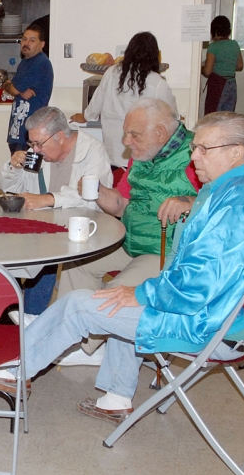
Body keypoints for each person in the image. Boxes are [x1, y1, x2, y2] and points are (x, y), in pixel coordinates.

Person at [0, 112, 244, 425]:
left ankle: (14, 371)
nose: (194, 157)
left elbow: (196, 286)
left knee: (81, 305)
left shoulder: (234, 203)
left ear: (236, 152)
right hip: (234, 320)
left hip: (209, 325)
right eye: (194, 148)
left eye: (204, 149)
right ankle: (116, 398)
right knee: (119, 301)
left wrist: (145, 292)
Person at [56, 98, 201, 365]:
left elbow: (225, 203)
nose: (126, 141)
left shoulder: (197, 155)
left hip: (166, 251)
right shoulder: (143, 154)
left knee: (115, 291)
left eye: (133, 134)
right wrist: (98, 192)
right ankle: (81, 341)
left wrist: (191, 202)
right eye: (126, 133)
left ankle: (78, 339)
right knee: (76, 262)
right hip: (131, 242)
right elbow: (122, 205)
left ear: (160, 132)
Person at [0, 106, 113, 315]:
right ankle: (14, 312)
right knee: (7, 247)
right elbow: (13, 189)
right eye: (31, 143)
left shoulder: (93, 151)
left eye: (38, 143)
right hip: (43, 226)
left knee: (45, 258)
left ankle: (37, 316)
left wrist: (49, 199)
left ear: (60, 137)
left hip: (82, 228)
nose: (35, 149)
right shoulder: (38, 153)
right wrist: (12, 167)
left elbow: (90, 197)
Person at [71, 32, 177, 168]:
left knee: (115, 184)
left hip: (112, 152)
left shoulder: (111, 72)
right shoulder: (156, 81)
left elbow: (94, 106)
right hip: (141, 153)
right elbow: (172, 115)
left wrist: (85, 116)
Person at [4, 24, 54, 154]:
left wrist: (10, 86)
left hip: (30, 135)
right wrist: (19, 90)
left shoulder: (40, 63)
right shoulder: (25, 62)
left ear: (42, 44)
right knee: (16, 172)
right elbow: (15, 89)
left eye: (32, 40)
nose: (26, 43)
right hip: (18, 132)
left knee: (26, 172)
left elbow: (13, 89)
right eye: (24, 39)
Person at [202, 15, 243, 115]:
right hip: (232, 84)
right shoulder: (234, 44)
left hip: (218, 85)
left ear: (214, 31)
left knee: (214, 116)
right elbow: (239, 66)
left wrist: (201, 67)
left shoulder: (213, 47)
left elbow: (207, 71)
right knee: (227, 117)